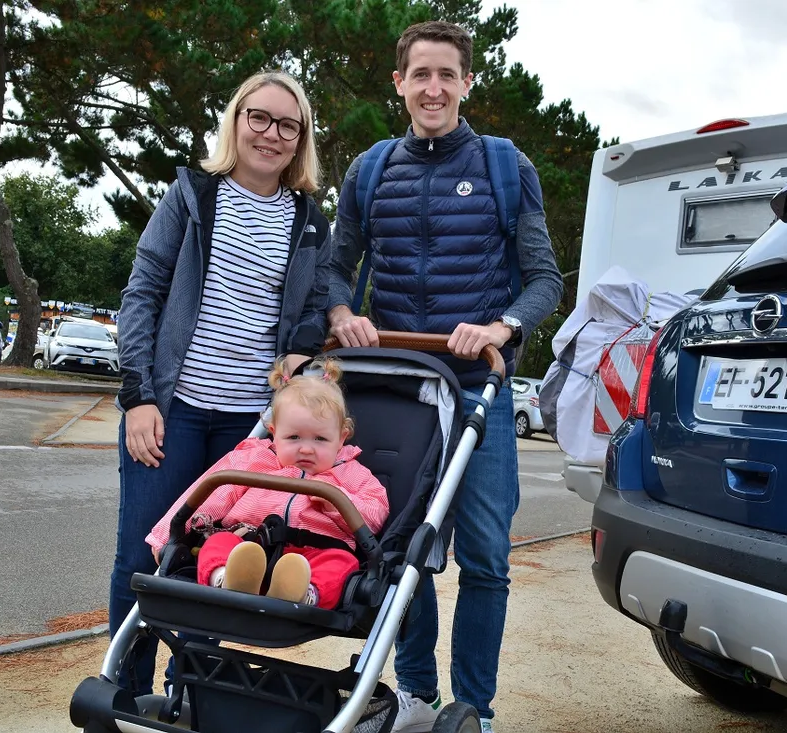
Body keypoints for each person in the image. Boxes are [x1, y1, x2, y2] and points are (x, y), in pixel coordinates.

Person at [325, 20, 563, 733]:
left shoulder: (503, 165)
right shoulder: (370, 170)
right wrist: (341, 311)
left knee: (486, 556)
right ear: (399, 83)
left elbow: (544, 279)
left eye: (447, 75)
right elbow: (336, 266)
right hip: (401, 391)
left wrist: (500, 327)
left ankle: (474, 710)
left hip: (477, 388)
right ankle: (416, 694)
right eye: (420, 74)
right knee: (403, 552)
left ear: (467, 83)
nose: (434, 88)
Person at [112, 70, 332, 696]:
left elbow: (316, 305)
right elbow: (142, 294)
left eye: (287, 125)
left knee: (214, 563)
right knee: (143, 557)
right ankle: (124, 693)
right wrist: (139, 397)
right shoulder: (191, 195)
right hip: (171, 412)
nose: (271, 134)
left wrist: (300, 346)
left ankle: (189, 697)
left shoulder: (309, 222)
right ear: (236, 121)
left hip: (249, 428)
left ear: (300, 141)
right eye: (258, 117)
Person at [146, 358, 389, 610]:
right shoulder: (255, 460)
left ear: (341, 438)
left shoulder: (351, 473)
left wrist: (337, 502)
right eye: (293, 437)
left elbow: (375, 514)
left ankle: (305, 593)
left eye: (320, 439)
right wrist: (167, 536)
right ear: (273, 432)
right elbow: (209, 496)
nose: (306, 449)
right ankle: (226, 578)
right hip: (250, 545)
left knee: (341, 563)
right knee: (218, 543)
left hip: (316, 553)